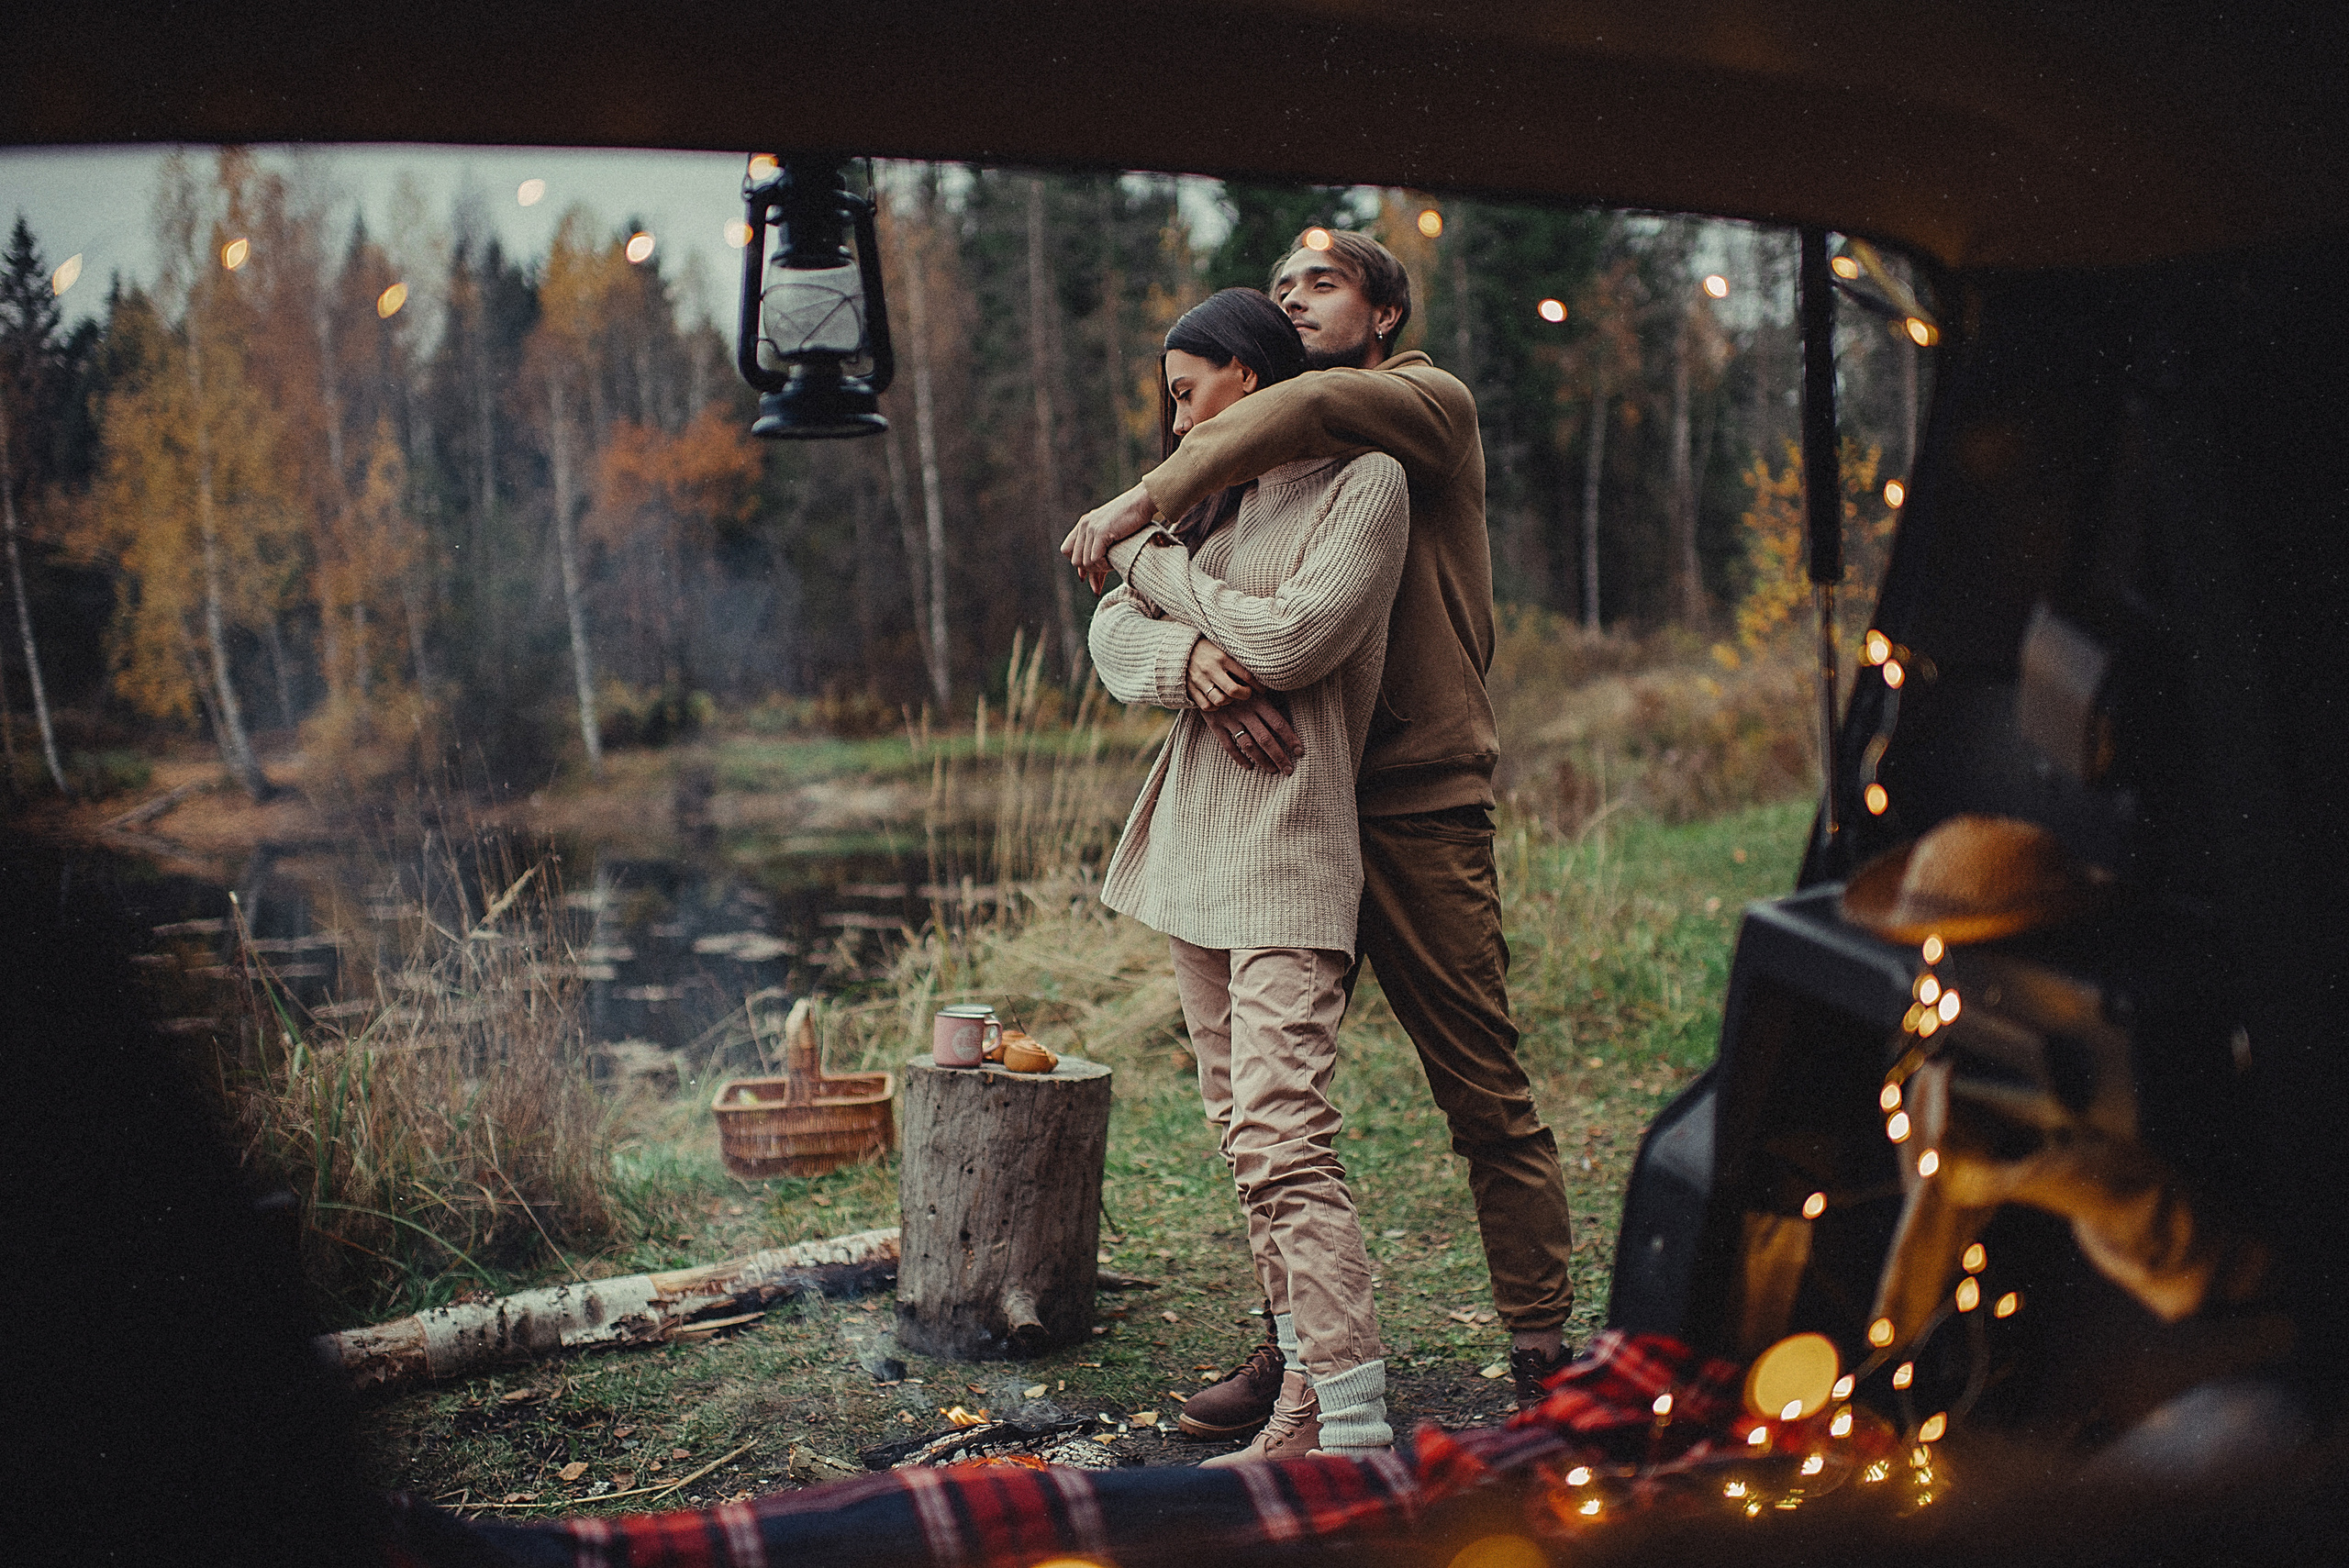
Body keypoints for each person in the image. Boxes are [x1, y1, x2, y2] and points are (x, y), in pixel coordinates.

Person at [1063, 230, 1578, 1427]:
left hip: (1415, 806)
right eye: (1281, 288)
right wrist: (1189, 655)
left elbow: (1306, 427)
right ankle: (1292, 1349)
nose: (1296, 300)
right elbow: (1117, 624)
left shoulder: (1419, 412)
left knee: (1484, 1095)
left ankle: (1546, 1355)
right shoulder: (1258, 476)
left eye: (1326, 284)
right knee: (1263, 1115)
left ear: (1386, 311)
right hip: (1290, 804)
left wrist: (1148, 500)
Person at [1086, 286, 1409, 1462]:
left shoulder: (1366, 485)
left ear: (1253, 382)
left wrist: (1167, 587)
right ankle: (1303, 1399)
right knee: (1240, 1136)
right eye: (1168, 403)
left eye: (1188, 394)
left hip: (1288, 849)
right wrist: (1191, 661)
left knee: (1283, 1135)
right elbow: (1107, 638)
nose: (1176, 429)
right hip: (1193, 856)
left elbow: (1290, 640)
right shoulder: (1212, 509)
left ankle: (1357, 1417)